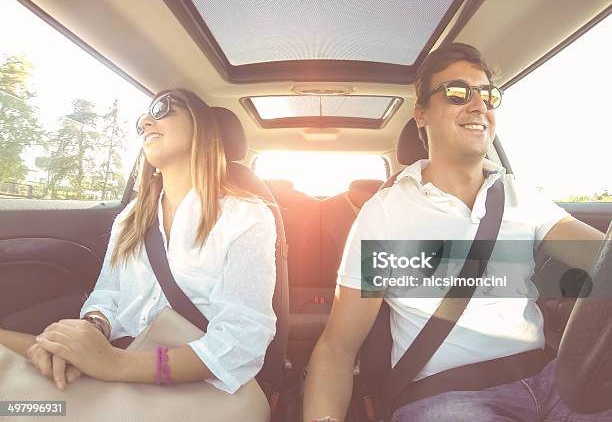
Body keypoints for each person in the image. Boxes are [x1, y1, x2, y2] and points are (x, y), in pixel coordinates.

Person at [303, 43, 608, 421]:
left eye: (487, 95)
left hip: (551, 380)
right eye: (457, 92)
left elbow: (602, 257)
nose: (479, 105)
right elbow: (338, 348)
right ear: (421, 115)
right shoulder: (384, 214)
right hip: (448, 395)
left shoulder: (519, 196)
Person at [0, 88, 277, 396]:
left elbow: (242, 339)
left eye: (162, 108)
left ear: (202, 127)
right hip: (115, 357)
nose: (146, 121)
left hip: (192, 380)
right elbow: (108, 294)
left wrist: (116, 364)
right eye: (144, 117)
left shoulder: (247, 216)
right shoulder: (132, 216)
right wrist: (92, 331)